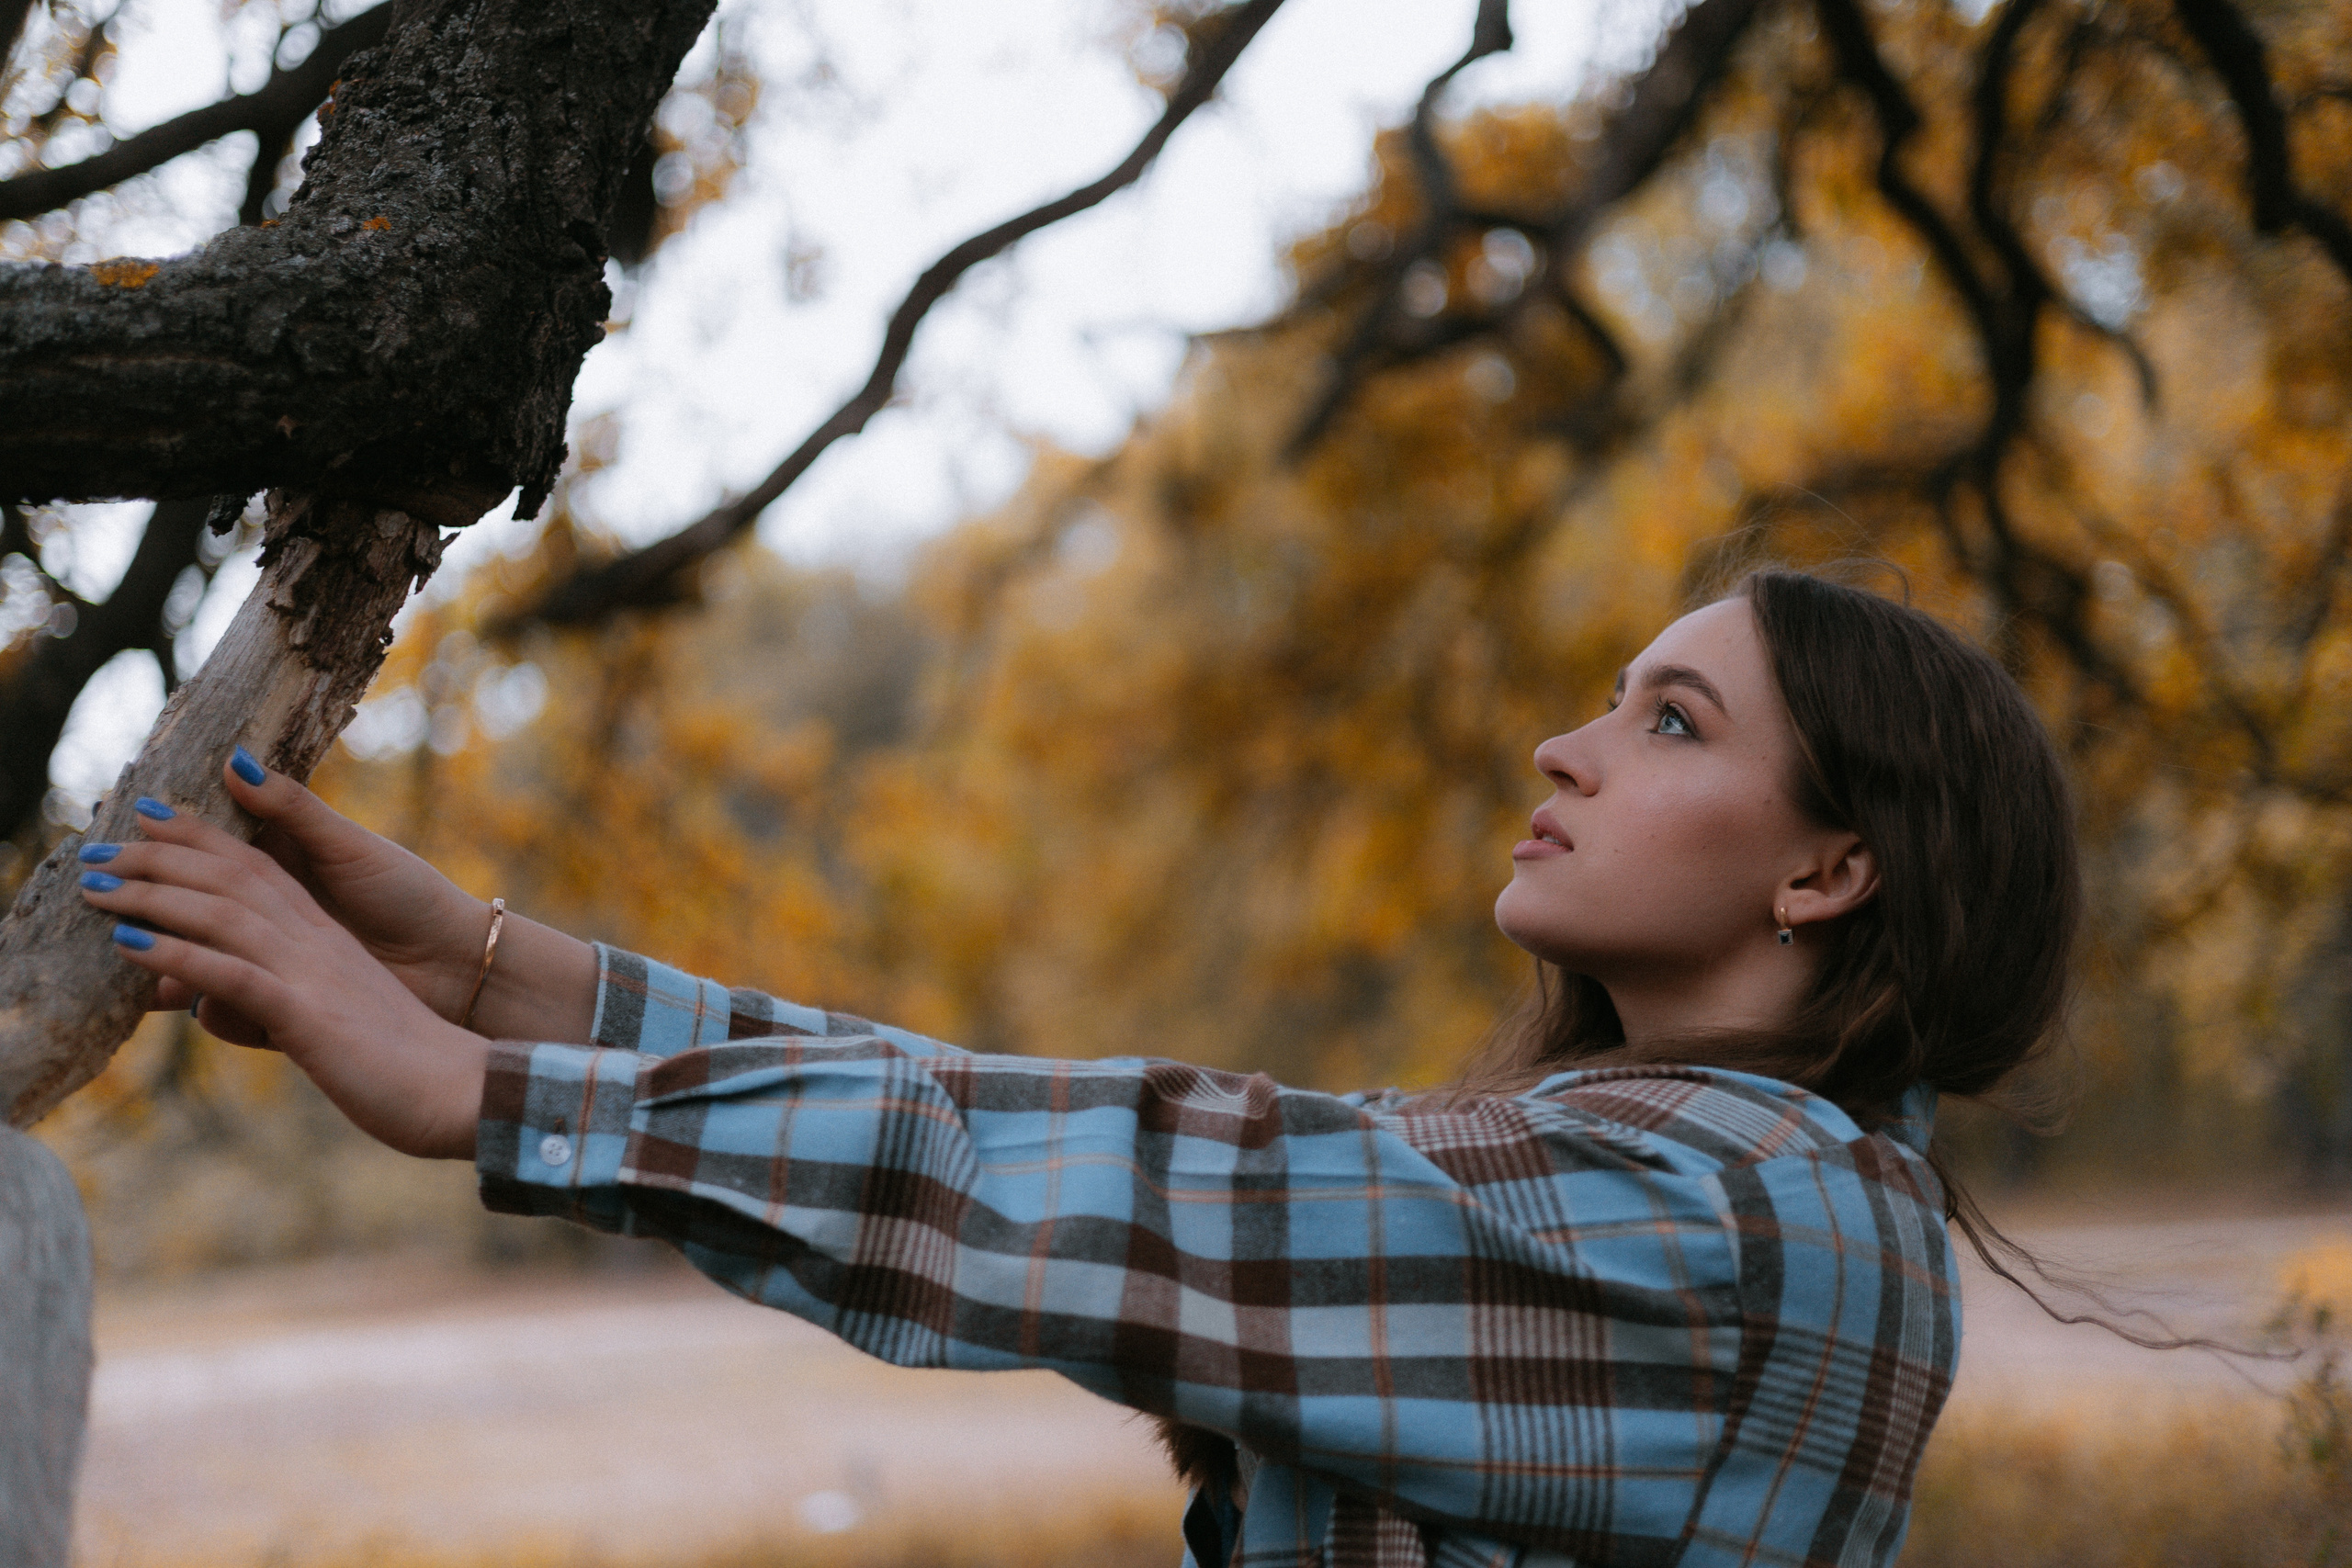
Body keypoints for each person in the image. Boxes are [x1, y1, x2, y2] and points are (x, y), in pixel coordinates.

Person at [76, 570, 2075, 1568]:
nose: (1563, 746)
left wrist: (468, 1088)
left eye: (1665, 721)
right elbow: (1021, 1119)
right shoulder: (1659, 1168)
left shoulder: (1734, 1218)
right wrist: (505, 972)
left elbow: (1127, 1182)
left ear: (1828, 863)